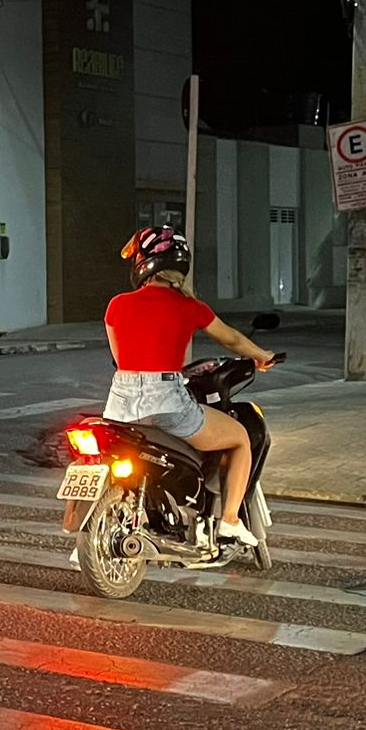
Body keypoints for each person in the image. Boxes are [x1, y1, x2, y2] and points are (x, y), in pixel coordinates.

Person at [104, 226, 276, 549]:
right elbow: (233, 339)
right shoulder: (190, 307)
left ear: (144, 264)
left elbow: (119, 359)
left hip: (120, 405)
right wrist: (261, 356)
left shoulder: (115, 306)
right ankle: (229, 521)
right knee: (240, 438)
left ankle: (82, 541)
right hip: (167, 402)